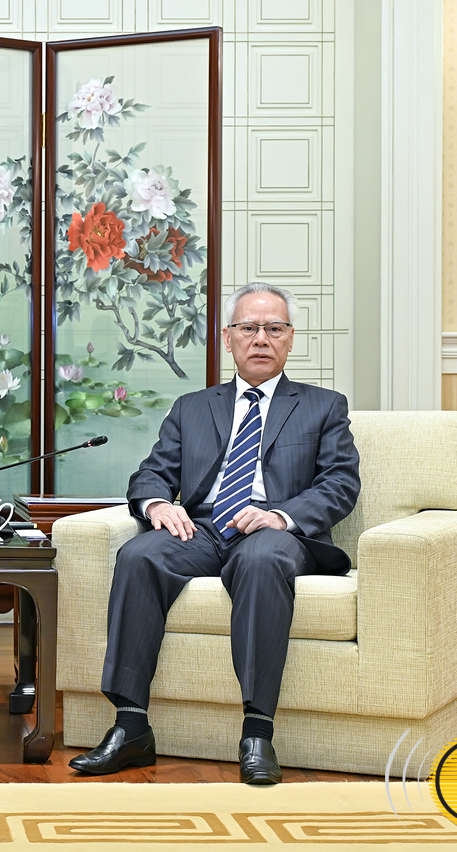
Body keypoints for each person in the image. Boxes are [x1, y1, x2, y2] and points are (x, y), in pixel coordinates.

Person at [68, 282, 360, 785]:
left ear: (291, 339)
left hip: (276, 532)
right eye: (249, 328)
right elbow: (153, 472)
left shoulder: (323, 406)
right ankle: (131, 726)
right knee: (139, 554)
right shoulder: (192, 407)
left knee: (261, 559)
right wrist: (159, 504)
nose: (261, 339)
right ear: (228, 338)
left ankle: (257, 734)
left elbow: (340, 483)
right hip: (204, 528)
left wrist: (281, 516)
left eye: (274, 328)